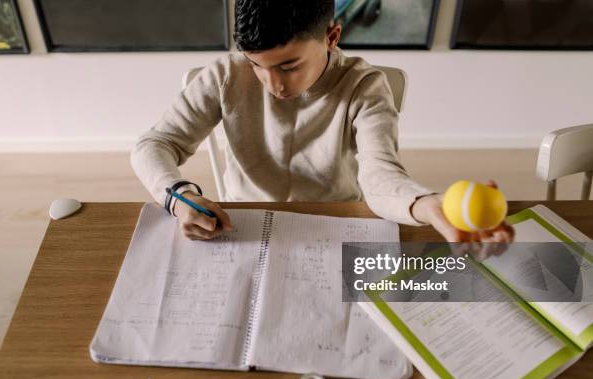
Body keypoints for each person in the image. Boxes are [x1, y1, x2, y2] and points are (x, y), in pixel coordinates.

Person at [131, 0, 514, 248]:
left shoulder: (365, 86)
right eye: (257, 66)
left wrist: (426, 205)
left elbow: (380, 176)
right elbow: (154, 144)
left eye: (289, 66)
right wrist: (178, 196)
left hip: (337, 223)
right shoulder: (224, 75)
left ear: (332, 38)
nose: (274, 85)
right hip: (242, 226)